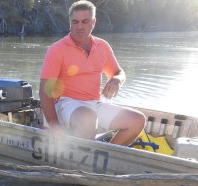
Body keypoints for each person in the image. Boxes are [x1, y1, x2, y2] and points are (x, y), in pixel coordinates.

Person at [39, 0, 145, 146]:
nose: (79, 27)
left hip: (95, 103)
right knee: (88, 118)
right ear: (70, 23)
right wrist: (54, 125)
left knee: (138, 120)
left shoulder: (102, 46)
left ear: (93, 22)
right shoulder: (57, 50)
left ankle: (106, 155)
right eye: (75, 22)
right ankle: (81, 161)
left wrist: (116, 80)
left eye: (85, 21)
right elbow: (45, 93)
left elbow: (118, 72)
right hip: (65, 104)